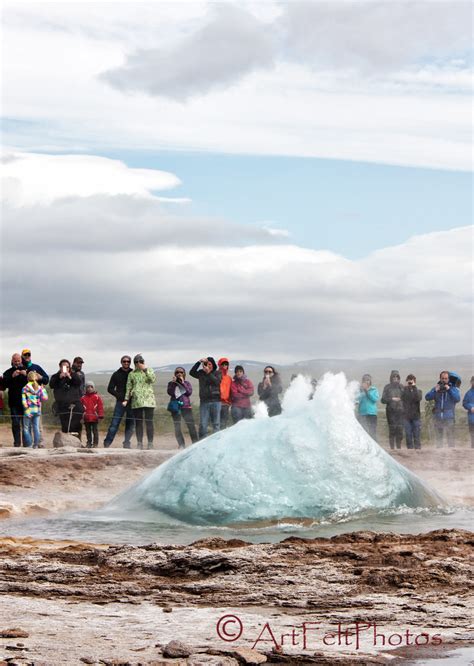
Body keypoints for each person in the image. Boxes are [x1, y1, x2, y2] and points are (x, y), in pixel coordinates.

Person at [123, 354, 156, 449]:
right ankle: (139, 443)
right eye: (136, 362)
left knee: (149, 422)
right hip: (137, 401)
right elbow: (128, 387)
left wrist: (145, 370)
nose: (138, 363)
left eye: (140, 361)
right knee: (138, 423)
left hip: (149, 400)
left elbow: (152, 379)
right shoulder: (132, 374)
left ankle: (150, 443)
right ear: (134, 363)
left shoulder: (149, 370)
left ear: (143, 362)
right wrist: (126, 399)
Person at [103, 356, 135, 448]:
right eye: (124, 361)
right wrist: (119, 396)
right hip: (120, 402)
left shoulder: (133, 373)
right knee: (114, 423)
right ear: (121, 362)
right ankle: (107, 443)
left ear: (130, 363)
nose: (126, 363)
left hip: (131, 402)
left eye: (128, 361)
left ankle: (126, 443)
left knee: (130, 424)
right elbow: (110, 388)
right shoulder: (116, 374)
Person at [49, 359, 84, 439]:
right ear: (60, 367)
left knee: (76, 423)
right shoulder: (55, 376)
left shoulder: (74, 375)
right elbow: (51, 385)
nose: (66, 369)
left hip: (75, 403)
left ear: (70, 367)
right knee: (65, 425)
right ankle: (65, 441)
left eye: (67, 367)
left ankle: (77, 441)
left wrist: (70, 377)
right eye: (64, 367)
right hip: (62, 404)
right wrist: (59, 377)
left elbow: (78, 382)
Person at [425, 371, 461, 448]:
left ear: (448, 379)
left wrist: (449, 390)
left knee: (450, 437)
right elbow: (427, 397)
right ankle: (439, 453)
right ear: (440, 378)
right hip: (438, 416)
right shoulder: (436, 388)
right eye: (442, 378)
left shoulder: (453, 388)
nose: (444, 380)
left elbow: (457, 399)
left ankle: (451, 454)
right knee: (439, 437)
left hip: (449, 416)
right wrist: (435, 390)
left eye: (446, 378)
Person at [189, 357, 221, 439]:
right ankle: (203, 442)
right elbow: (191, 372)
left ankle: (216, 442)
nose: (208, 366)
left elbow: (217, 382)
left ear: (213, 365)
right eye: (206, 364)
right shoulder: (201, 373)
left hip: (216, 401)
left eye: (210, 364)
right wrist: (199, 362)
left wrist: (209, 373)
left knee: (216, 423)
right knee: (203, 424)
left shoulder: (217, 373)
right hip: (204, 401)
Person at [167, 367, 198, 449]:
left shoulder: (187, 383)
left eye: (181, 372)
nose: (179, 374)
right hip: (176, 407)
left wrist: (183, 382)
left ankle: (195, 444)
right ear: (175, 374)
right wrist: (174, 383)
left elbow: (189, 392)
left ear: (184, 374)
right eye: (177, 372)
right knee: (177, 427)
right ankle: (181, 445)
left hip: (186, 407)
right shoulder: (171, 383)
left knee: (191, 426)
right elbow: (170, 392)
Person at [3, 353, 28, 446]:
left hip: (26, 401)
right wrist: (12, 377)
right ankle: (17, 443)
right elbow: (4, 386)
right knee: (16, 424)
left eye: (18, 361)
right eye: (15, 361)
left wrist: (26, 375)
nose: (17, 363)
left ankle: (26, 444)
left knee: (26, 424)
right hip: (14, 402)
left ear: (21, 360)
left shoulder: (27, 371)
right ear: (12, 361)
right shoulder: (7, 372)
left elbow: (34, 383)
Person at [21, 371, 48, 448]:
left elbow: (24, 401)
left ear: (27, 378)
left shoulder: (25, 388)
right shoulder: (39, 388)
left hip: (28, 410)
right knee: (36, 427)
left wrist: (26, 409)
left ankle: (29, 444)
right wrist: (44, 390)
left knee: (26, 428)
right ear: (36, 378)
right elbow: (45, 398)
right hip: (37, 410)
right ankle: (36, 445)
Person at [381, 370, 405, 450]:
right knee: (392, 430)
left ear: (399, 378)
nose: (395, 378)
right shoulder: (387, 387)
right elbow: (383, 400)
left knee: (400, 430)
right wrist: (392, 399)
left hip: (401, 411)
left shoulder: (402, 387)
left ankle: (398, 447)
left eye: (397, 377)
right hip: (391, 412)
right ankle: (392, 448)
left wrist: (402, 400)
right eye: (393, 377)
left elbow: (406, 398)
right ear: (391, 377)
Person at [401, 374, 423, 450]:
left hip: (416, 416)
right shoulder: (404, 391)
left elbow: (418, 398)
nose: (410, 383)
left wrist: (414, 387)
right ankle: (410, 450)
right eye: (409, 381)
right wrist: (406, 388)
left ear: (415, 382)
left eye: (412, 381)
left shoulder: (419, 391)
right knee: (408, 434)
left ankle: (418, 449)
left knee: (417, 434)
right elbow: (403, 397)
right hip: (406, 417)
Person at [81, 381, 104, 448]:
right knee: (88, 432)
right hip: (86, 418)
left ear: (93, 388)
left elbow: (100, 407)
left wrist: (100, 416)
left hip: (95, 418)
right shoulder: (83, 398)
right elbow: (81, 408)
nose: (89, 388)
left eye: (91, 387)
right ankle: (89, 443)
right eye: (88, 387)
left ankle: (95, 444)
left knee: (95, 431)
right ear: (85, 388)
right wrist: (81, 417)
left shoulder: (97, 397)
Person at [357, 373, 379, 441]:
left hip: (372, 414)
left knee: (372, 431)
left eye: (368, 380)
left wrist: (367, 392)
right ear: (362, 381)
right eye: (365, 380)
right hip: (362, 414)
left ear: (370, 381)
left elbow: (375, 399)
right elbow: (356, 400)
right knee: (363, 432)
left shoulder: (374, 390)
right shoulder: (359, 390)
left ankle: (374, 448)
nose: (366, 381)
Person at [217, 358, 232, 428]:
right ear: (219, 365)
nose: (224, 366)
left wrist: (230, 402)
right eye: (223, 364)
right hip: (216, 403)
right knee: (216, 423)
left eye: (226, 364)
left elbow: (231, 390)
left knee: (224, 424)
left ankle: (222, 439)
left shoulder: (229, 378)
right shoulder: (215, 375)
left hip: (226, 404)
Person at [462, 376, 474, 448]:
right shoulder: (468, 393)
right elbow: (464, 403)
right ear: (471, 382)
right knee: (472, 435)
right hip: (472, 419)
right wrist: (470, 407)